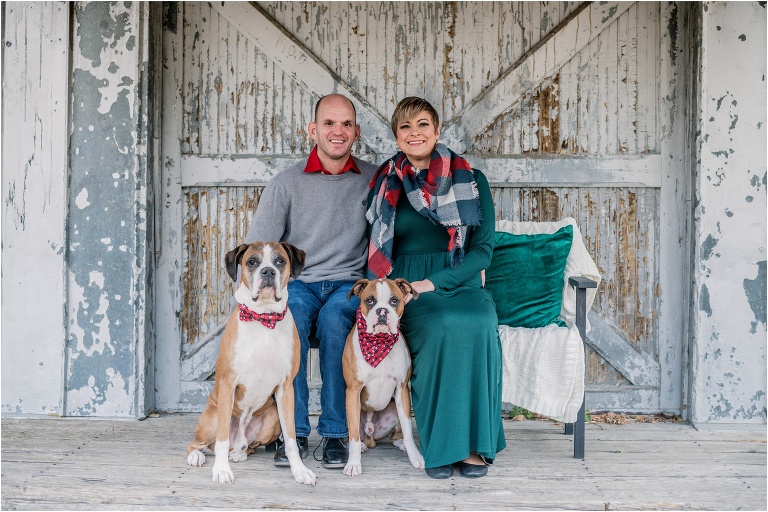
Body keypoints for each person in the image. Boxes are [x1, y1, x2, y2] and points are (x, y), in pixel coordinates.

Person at [366, 96, 506, 479]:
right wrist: (393, 293)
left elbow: (483, 250)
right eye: (406, 127)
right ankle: (442, 445)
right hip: (405, 288)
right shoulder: (384, 182)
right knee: (443, 326)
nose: (415, 133)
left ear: (437, 129)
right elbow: (375, 245)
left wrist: (433, 282)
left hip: (458, 278)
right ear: (396, 135)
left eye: (423, 124)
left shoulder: (472, 180)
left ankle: (475, 446)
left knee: (476, 323)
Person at [244, 93, 377, 469]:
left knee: (336, 322)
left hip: (348, 284)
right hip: (299, 284)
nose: (338, 131)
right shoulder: (286, 183)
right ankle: (295, 431)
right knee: (293, 320)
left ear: (357, 132)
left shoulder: (374, 179)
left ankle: (336, 433)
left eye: (346, 124)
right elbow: (261, 247)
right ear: (313, 130)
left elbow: (388, 237)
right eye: (329, 124)